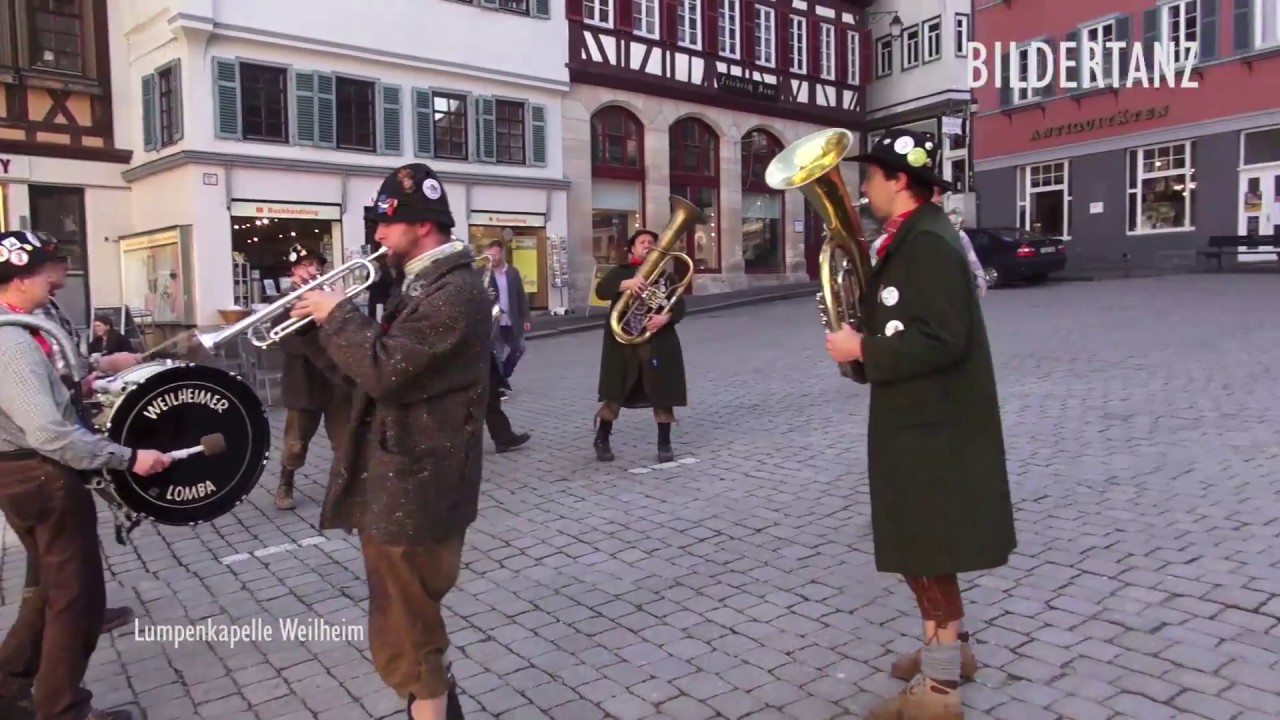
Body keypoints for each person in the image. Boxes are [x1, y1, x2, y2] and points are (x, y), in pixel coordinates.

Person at [824, 129, 1015, 720]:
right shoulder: (915, 235)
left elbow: (942, 338)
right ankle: (951, 653)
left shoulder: (928, 243)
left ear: (899, 180)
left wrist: (862, 347)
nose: (863, 189)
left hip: (932, 424)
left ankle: (939, 690)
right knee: (922, 544)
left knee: (926, 548)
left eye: (870, 177)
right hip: (920, 417)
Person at [289, 163, 489, 720]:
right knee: (407, 626)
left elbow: (385, 369)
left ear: (422, 225)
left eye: (384, 223)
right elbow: (361, 375)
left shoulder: (455, 293)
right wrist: (313, 326)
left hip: (419, 486)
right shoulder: (424, 284)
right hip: (402, 479)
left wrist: (338, 314)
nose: (376, 235)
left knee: (409, 636)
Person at [0, 230, 172, 720]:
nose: (56, 279)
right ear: (19, 279)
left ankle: (7, 689)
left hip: (23, 475)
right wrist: (127, 458)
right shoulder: (11, 343)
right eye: (45, 271)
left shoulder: (21, 327)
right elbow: (50, 434)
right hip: (41, 476)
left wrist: (93, 371)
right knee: (76, 600)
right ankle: (61, 710)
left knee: (45, 591)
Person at [591, 229, 688, 464]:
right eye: (642, 242)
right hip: (624, 344)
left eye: (651, 242)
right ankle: (602, 439)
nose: (647, 245)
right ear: (632, 248)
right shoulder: (621, 272)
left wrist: (665, 318)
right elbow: (601, 291)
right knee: (615, 394)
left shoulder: (666, 276)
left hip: (657, 344)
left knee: (662, 395)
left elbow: (680, 306)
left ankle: (664, 443)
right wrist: (629, 284)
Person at [270, 243, 351, 511]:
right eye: (306, 265)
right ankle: (285, 483)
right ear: (294, 270)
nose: (313, 269)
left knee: (345, 440)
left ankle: (345, 489)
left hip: (337, 381)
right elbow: (286, 341)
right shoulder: (284, 302)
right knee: (295, 443)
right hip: (303, 380)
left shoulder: (332, 297)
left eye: (317, 265)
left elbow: (350, 332)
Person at [482, 240, 530, 392]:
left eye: (495, 255)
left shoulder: (512, 272)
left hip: (511, 320)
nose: (492, 258)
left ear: (502, 253)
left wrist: (526, 318)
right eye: (489, 255)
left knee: (519, 347)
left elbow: (521, 296)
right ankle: (499, 385)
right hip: (493, 322)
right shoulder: (483, 273)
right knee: (498, 354)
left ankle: (503, 376)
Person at [933, 189, 987, 296]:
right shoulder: (906, 236)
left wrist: (966, 275)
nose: (939, 199)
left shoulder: (958, 236)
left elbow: (981, 284)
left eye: (939, 204)